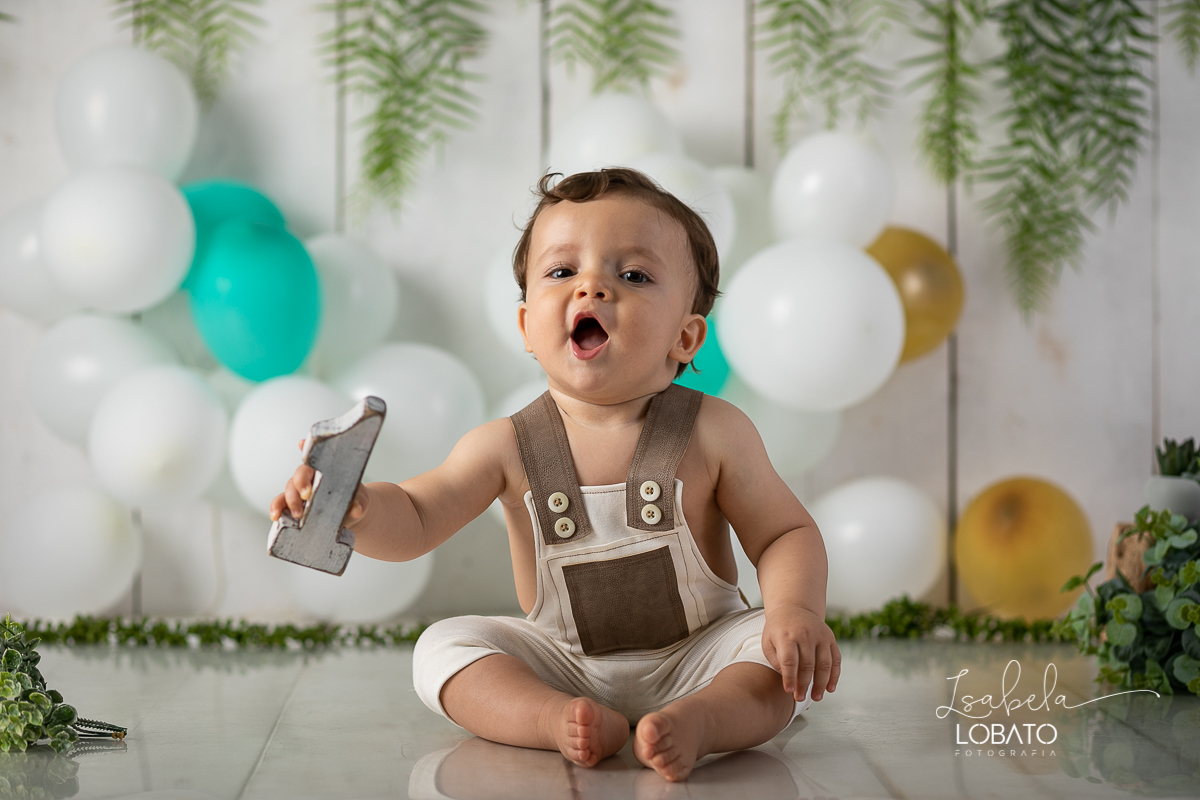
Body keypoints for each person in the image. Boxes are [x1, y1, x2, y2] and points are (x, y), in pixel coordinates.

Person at [271, 167, 840, 782]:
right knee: (442, 649)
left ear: (685, 336)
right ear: (526, 329)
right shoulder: (505, 446)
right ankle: (552, 719)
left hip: (698, 654)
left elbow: (784, 534)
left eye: (633, 275)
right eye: (563, 271)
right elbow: (416, 515)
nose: (591, 288)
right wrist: (354, 506)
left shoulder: (714, 431)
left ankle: (701, 721)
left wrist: (794, 611)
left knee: (770, 666)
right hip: (565, 661)